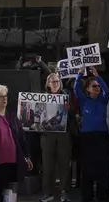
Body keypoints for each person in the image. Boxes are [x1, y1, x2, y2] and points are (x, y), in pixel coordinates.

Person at [0, 85, 33, 202]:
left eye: (5, 96)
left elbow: (21, 138)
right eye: (0, 96)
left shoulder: (12, 117)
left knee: (10, 197)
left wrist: (26, 156)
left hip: (13, 163)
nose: (4, 99)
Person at [75, 66, 109, 202]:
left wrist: (98, 77)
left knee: (103, 169)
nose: (97, 88)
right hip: (87, 138)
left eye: (98, 86)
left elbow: (107, 91)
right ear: (88, 89)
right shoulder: (84, 100)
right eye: (94, 86)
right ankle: (87, 197)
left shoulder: (103, 100)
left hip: (101, 136)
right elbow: (77, 89)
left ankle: (103, 197)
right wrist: (79, 74)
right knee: (87, 169)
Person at [39, 73, 73, 202]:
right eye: (53, 82)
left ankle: (64, 191)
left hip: (63, 134)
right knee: (48, 165)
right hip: (47, 135)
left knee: (64, 163)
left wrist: (69, 109)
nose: (56, 83)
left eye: (58, 81)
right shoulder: (42, 97)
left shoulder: (66, 96)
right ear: (48, 84)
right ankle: (48, 192)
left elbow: (73, 113)